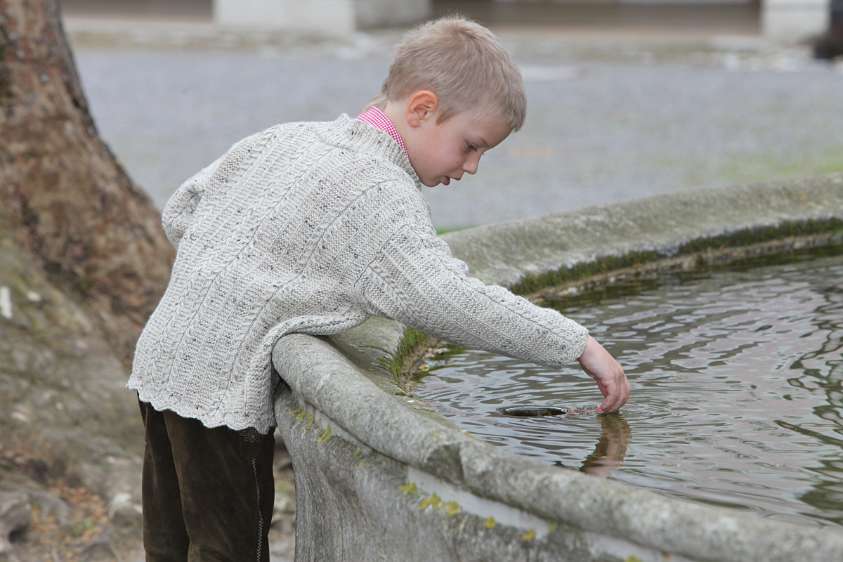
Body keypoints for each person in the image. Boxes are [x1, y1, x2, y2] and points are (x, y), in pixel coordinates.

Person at [128, 14, 629, 561]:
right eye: (470, 145)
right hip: (220, 391)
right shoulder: (376, 188)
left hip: (161, 362)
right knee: (228, 550)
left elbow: (183, 210)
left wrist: (260, 273)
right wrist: (574, 343)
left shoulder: (288, 137)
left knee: (168, 542)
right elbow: (441, 298)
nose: (473, 167)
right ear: (422, 109)